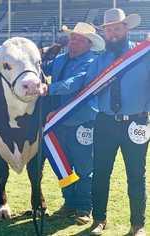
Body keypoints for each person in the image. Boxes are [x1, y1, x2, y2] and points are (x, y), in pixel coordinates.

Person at [88, 9, 149, 236]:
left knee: (136, 174)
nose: (112, 33)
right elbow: (86, 88)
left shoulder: (143, 54)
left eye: (116, 28)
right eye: (108, 29)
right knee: (101, 172)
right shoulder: (99, 59)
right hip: (105, 123)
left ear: (126, 28)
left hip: (137, 123)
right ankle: (99, 220)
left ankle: (138, 224)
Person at [42, 22, 105, 224]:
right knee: (63, 165)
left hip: (82, 122)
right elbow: (42, 69)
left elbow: (75, 84)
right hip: (58, 123)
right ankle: (69, 203)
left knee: (84, 167)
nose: (73, 42)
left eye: (78, 40)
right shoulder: (60, 59)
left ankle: (85, 208)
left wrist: (48, 88)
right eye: (72, 38)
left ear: (89, 43)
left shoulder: (93, 62)